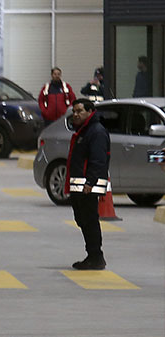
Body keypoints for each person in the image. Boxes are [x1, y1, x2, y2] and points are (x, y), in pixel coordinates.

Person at [66, 98, 110, 270]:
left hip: (88, 186)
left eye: (79, 111)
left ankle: (95, 256)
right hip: (80, 185)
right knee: (82, 219)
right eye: (74, 111)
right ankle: (93, 255)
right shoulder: (84, 131)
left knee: (89, 220)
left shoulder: (96, 132)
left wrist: (90, 182)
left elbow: (98, 160)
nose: (76, 114)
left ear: (90, 111)